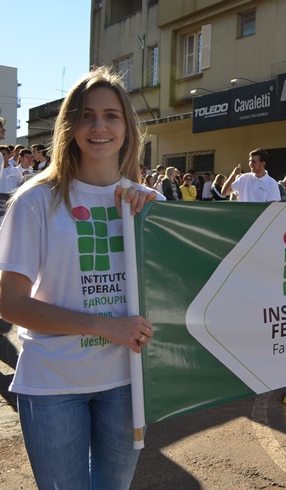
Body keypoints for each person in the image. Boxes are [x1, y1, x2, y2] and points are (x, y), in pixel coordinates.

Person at [0, 66, 160, 489]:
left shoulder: (151, 206)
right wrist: (105, 326)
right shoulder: (35, 200)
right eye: (87, 115)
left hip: (128, 382)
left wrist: (154, 220)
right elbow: (10, 303)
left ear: (127, 127)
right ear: (69, 126)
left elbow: (177, 293)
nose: (99, 126)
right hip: (53, 383)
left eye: (111, 115)